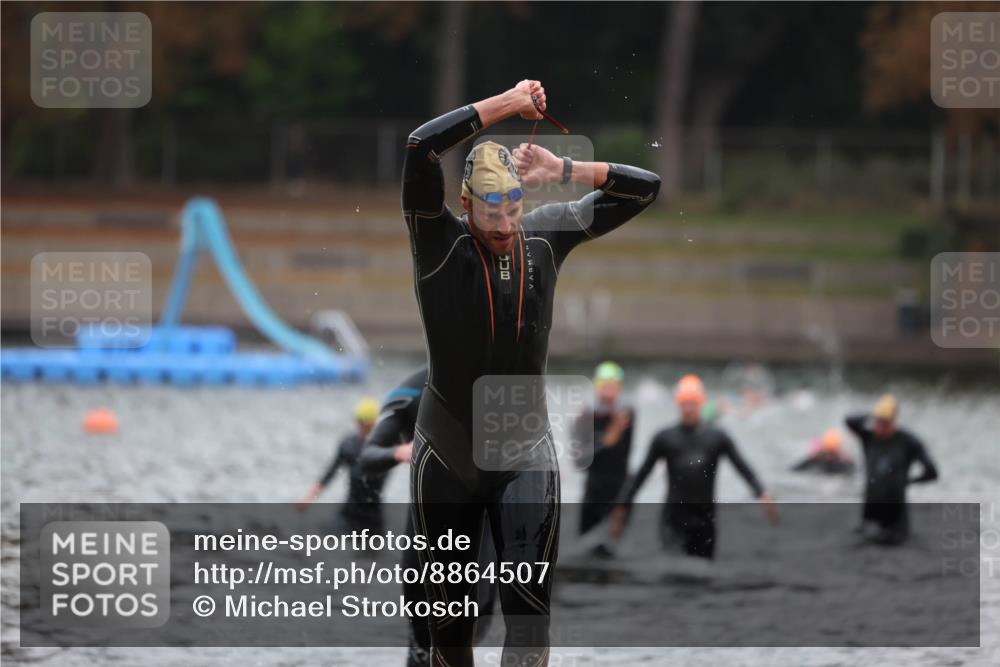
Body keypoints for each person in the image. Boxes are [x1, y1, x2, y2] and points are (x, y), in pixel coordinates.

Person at [403, 78, 660, 665]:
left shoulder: (545, 236)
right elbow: (421, 147)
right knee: (449, 633)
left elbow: (645, 189)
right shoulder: (437, 241)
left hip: (524, 453)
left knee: (527, 625)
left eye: (513, 210)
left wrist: (564, 169)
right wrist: (509, 105)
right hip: (446, 454)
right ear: (464, 205)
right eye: (490, 214)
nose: (503, 228)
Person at [357, 367, 497, 667]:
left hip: (480, 527)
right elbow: (368, 457)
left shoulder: (496, 388)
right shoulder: (411, 391)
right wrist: (402, 451)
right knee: (422, 636)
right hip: (425, 527)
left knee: (474, 623)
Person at [610, 374, 777, 560]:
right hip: (673, 518)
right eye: (684, 403)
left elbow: (743, 467)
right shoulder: (664, 438)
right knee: (672, 571)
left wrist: (762, 493)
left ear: (702, 403)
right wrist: (621, 506)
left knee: (703, 575)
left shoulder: (717, 437)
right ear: (677, 404)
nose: (688, 409)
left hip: (705, 519)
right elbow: (642, 474)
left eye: (693, 403)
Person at [846, 394, 938, 545]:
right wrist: (872, 413)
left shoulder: (908, 441)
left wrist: (908, 481)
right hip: (871, 516)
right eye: (877, 422)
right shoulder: (868, 438)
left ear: (893, 421)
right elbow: (849, 421)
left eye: (884, 423)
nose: (879, 427)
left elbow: (932, 472)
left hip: (896, 521)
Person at [298, 397, 387, 534]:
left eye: (365, 423)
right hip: (349, 512)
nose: (361, 426)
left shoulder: (386, 445)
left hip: (373, 518)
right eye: (359, 421)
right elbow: (330, 473)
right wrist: (308, 497)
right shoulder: (349, 444)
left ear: (373, 422)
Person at [572, 361, 634, 538]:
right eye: (604, 387)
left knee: (614, 548)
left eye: (613, 387)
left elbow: (624, 457)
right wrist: (606, 440)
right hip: (593, 492)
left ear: (619, 389)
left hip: (619, 490)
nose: (608, 392)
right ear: (597, 388)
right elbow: (579, 462)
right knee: (586, 547)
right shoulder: (585, 416)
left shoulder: (627, 415)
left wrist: (624, 503)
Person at [791, 428, 855, 475]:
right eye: (827, 452)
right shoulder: (817, 459)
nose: (829, 457)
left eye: (832, 453)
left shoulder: (843, 462)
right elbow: (795, 469)